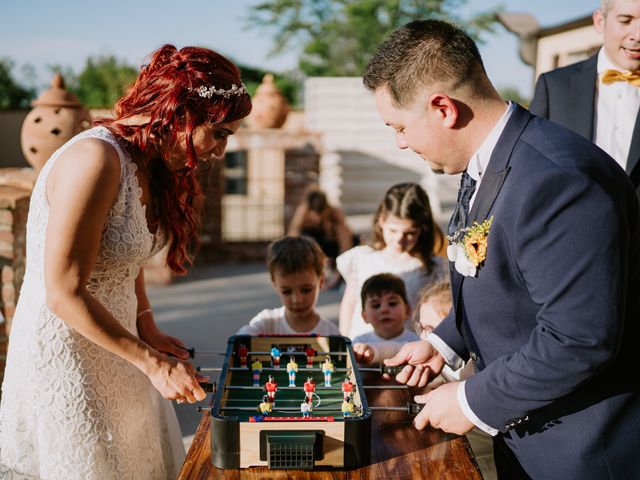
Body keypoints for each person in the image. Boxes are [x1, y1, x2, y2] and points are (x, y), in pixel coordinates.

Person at [364, 19, 640, 479]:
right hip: (526, 433)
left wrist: (472, 400)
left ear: (443, 108)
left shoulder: (557, 180)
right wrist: (445, 343)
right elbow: (500, 278)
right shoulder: (488, 160)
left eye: (400, 127)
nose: (401, 142)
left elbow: (579, 337)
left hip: (582, 452)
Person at [0, 44, 251, 478]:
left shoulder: (147, 160)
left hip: (124, 347)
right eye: (221, 132)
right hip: (70, 355)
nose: (222, 149)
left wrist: (147, 324)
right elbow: (62, 292)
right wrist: (153, 363)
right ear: (180, 112)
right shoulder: (94, 159)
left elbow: (124, 258)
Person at [530, 0, 640, 196]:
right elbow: (528, 165)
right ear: (600, 21)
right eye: (626, 20)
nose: (638, 35)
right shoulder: (554, 86)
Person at [337, 182, 447, 339]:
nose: (399, 239)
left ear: (423, 228)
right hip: (362, 348)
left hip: (407, 350)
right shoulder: (362, 258)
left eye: (409, 233)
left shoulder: (434, 268)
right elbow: (349, 305)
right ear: (381, 220)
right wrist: (344, 340)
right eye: (393, 230)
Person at [236, 236, 340, 336]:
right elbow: (247, 333)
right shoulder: (267, 322)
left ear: (321, 282)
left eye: (306, 290)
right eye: (287, 291)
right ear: (275, 284)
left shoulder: (331, 333)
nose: (297, 300)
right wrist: (244, 335)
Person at [288, 185, 354, 262]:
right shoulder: (303, 212)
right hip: (310, 248)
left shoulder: (334, 213)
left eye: (321, 214)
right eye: (315, 215)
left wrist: (344, 259)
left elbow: (344, 238)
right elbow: (293, 234)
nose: (318, 218)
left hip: (329, 246)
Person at [351, 273, 419, 348]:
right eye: (376, 305)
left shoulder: (418, 342)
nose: (384, 310)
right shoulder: (359, 344)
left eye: (392, 303)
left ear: (407, 310)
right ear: (365, 316)